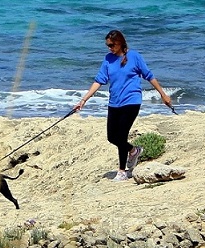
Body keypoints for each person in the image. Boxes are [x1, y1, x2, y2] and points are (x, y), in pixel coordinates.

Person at [74, 29, 173, 181]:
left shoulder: (134, 56)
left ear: (120, 43)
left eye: (112, 45)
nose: (109, 48)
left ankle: (121, 171)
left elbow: (149, 76)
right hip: (114, 102)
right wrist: (83, 100)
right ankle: (134, 150)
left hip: (131, 101)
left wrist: (163, 94)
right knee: (111, 137)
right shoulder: (108, 59)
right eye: (107, 45)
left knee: (121, 135)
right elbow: (99, 81)